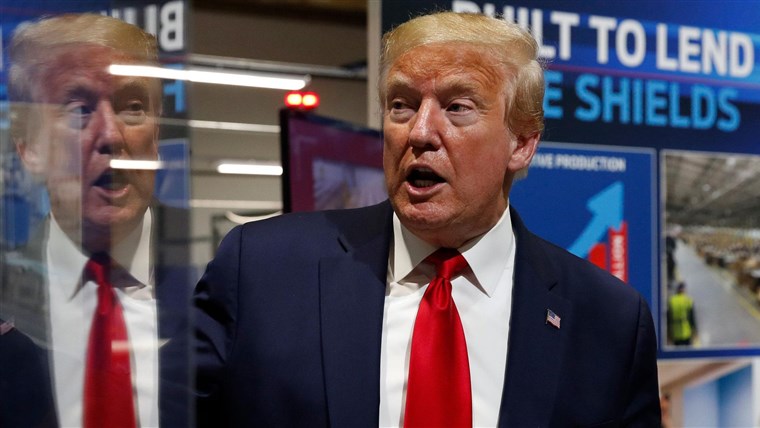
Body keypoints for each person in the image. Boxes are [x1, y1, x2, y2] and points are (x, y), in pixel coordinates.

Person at [194, 11, 661, 427]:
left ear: (521, 143)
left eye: (457, 108)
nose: (419, 132)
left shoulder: (609, 320)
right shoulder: (261, 269)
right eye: (401, 105)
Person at [0, 14, 191, 427]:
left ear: (156, 134)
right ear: (28, 147)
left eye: (133, 108)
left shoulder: (226, 283)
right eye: (79, 110)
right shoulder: (6, 296)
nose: (111, 135)